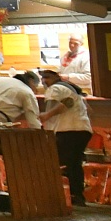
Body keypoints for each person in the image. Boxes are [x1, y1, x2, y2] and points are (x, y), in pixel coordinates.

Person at [39, 68, 93, 205]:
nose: (45, 80)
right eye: (43, 77)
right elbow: (87, 108)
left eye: (47, 77)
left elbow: (68, 102)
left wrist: (47, 115)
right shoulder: (72, 88)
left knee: (57, 163)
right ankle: (77, 196)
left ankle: (58, 197)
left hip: (67, 130)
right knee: (74, 164)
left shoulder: (55, 88)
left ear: (56, 77)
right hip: (83, 129)